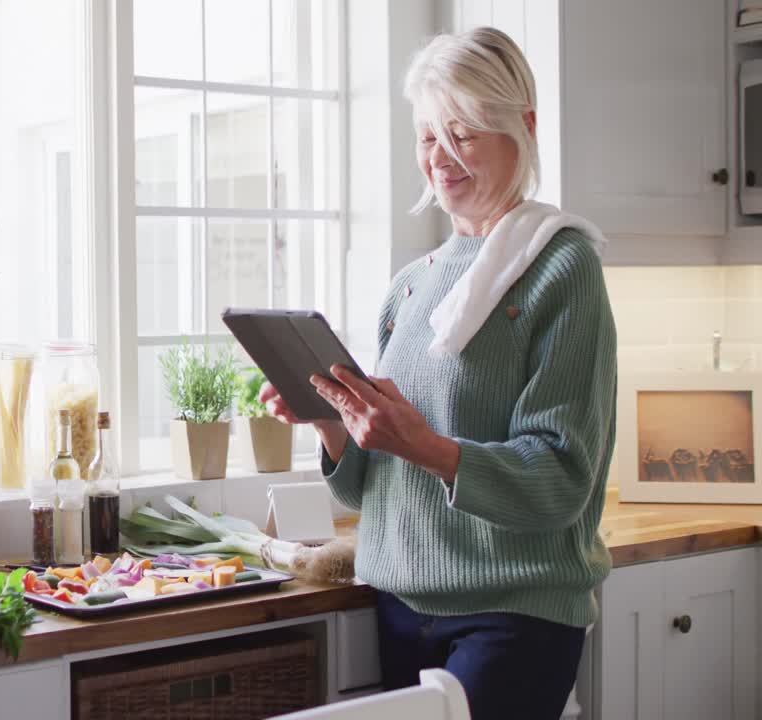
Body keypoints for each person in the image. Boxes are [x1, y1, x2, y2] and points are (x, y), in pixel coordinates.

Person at [261, 27, 615, 720]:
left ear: (526, 128)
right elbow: (376, 485)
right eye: (428, 136)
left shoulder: (563, 268)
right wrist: (336, 423)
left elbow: (562, 478)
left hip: (513, 613)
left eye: (463, 133)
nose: (440, 158)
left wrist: (420, 441)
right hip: (398, 605)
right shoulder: (411, 288)